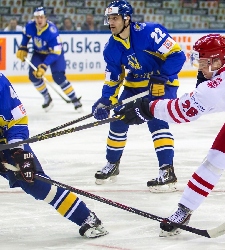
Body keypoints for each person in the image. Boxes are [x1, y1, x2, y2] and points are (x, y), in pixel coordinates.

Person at [115, 33, 225, 236]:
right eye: (198, 62)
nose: (200, 68)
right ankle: (184, 209)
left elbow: (182, 112)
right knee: (214, 161)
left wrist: (147, 108)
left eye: (204, 63)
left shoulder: (219, 91)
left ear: (219, 61)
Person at [92, 0, 186, 192]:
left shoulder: (149, 32)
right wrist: (106, 100)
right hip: (135, 85)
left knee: (156, 119)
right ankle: (112, 164)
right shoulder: (111, 47)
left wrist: (161, 77)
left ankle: (167, 171)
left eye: (115, 18)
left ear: (127, 18)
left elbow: (178, 55)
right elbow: (113, 77)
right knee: (118, 118)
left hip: (162, 83)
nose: (111, 22)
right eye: (109, 18)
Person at [0, 72, 108, 238]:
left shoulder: (0, 83)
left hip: (5, 142)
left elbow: (17, 119)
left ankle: (85, 217)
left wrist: (17, 150)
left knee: (36, 183)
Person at [16, 7, 82, 112]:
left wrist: (44, 65)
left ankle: (75, 99)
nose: (39, 20)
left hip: (55, 55)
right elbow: (25, 35)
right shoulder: (30, 26)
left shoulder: (52, 31)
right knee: (33, 76)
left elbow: (55, 53)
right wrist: (23, 46)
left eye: (41, 17)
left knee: (58, 77)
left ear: (46, 18)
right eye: (37, 17)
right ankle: (47, 98)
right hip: (39, 53)